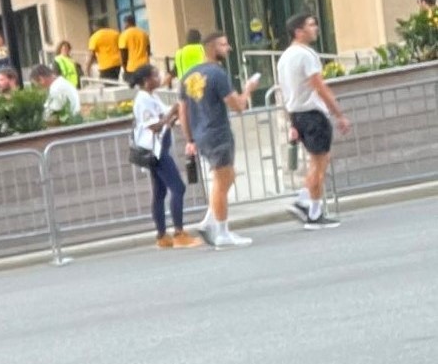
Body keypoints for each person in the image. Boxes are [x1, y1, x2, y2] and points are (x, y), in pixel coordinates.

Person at [182, 30, 261, 249]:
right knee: (221, 180)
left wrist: (189, 138)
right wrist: (248, 89)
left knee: (226, 177)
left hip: (201, 134)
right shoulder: (217, 74)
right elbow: (238, 106)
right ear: (212, 48)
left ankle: (209, 222)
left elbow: (183, 109)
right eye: (224, 45)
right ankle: (222, 232)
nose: (229, 49)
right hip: (218, 132)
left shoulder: (189, 75)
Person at [277, 12, 349, 229]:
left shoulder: (284, 58)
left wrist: (292, 122)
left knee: (315, 162)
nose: (316, 28)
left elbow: (285, 91)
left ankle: (304, 200)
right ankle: (314, 213)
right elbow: (319, 86)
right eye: (311, 25)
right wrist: (338, 114)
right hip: (313, 113)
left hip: (298, 113)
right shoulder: (306, 55)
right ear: (299, 31)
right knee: (320, 164)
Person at [132, 64, 196, 248]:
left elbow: (165, 118)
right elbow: (154, 125)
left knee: (159, 192)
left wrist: (175, 113)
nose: (159, 78)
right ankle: (179, 231)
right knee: (178, 188)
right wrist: (173, 110)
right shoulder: (143, 100)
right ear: (146, 80)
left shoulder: (152, 97)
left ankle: (162, 235)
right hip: (156, 152)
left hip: (160, 148)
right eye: (155, 75)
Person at [120, 13, 151, 86]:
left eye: (124, 23)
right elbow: (148, 50)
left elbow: (123, 54)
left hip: (132, 68)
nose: (123, 25)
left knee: (132, 89)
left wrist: (124, 68)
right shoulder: (143, 33)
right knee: (144, 86)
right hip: (144, 66)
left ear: (127, 23)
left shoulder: (124, 35)